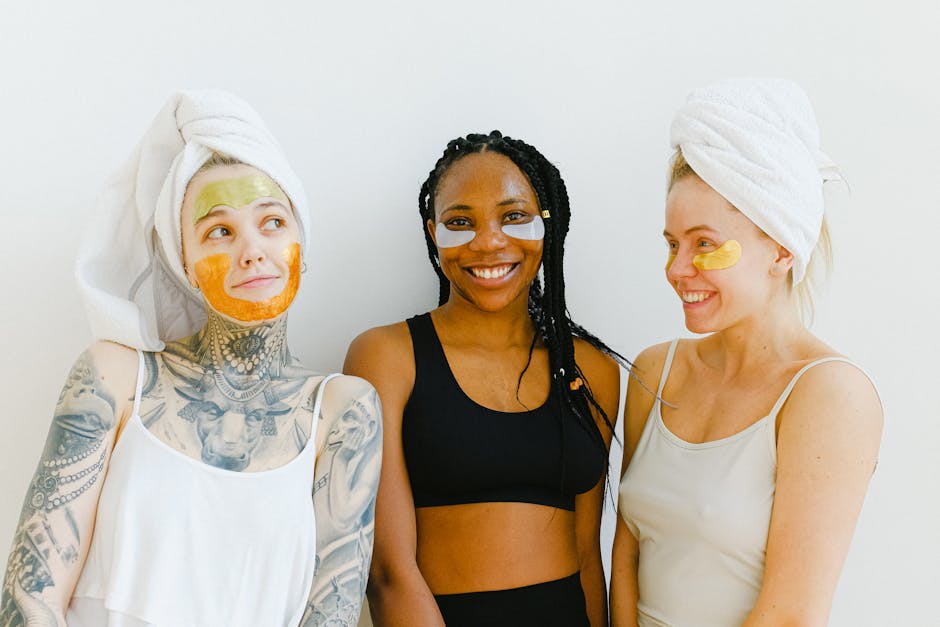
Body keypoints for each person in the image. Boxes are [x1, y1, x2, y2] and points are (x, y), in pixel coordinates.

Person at [0, 90, 381, 627]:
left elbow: (333, 612)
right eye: (219, 231)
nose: (251, 249)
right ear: (184, 260)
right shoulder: (114, 376)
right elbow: (29, 597)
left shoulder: (344, 409)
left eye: (272, 221)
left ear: (301, 237)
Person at [610, 78, 883, 627]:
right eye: (672, 243)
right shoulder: (654, 371)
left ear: (781, 247)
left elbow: (792, 614)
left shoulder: (829, 395)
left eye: (704, 244)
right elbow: (627, 554)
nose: (677, 269)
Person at [344, 131, 622, 627]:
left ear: (547, 225)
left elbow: (587, 559)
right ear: (434, 234)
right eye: (460, 222)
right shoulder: (387, 357)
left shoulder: (589, 369)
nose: (488, 241)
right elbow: (388, 571)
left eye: (514, 216)